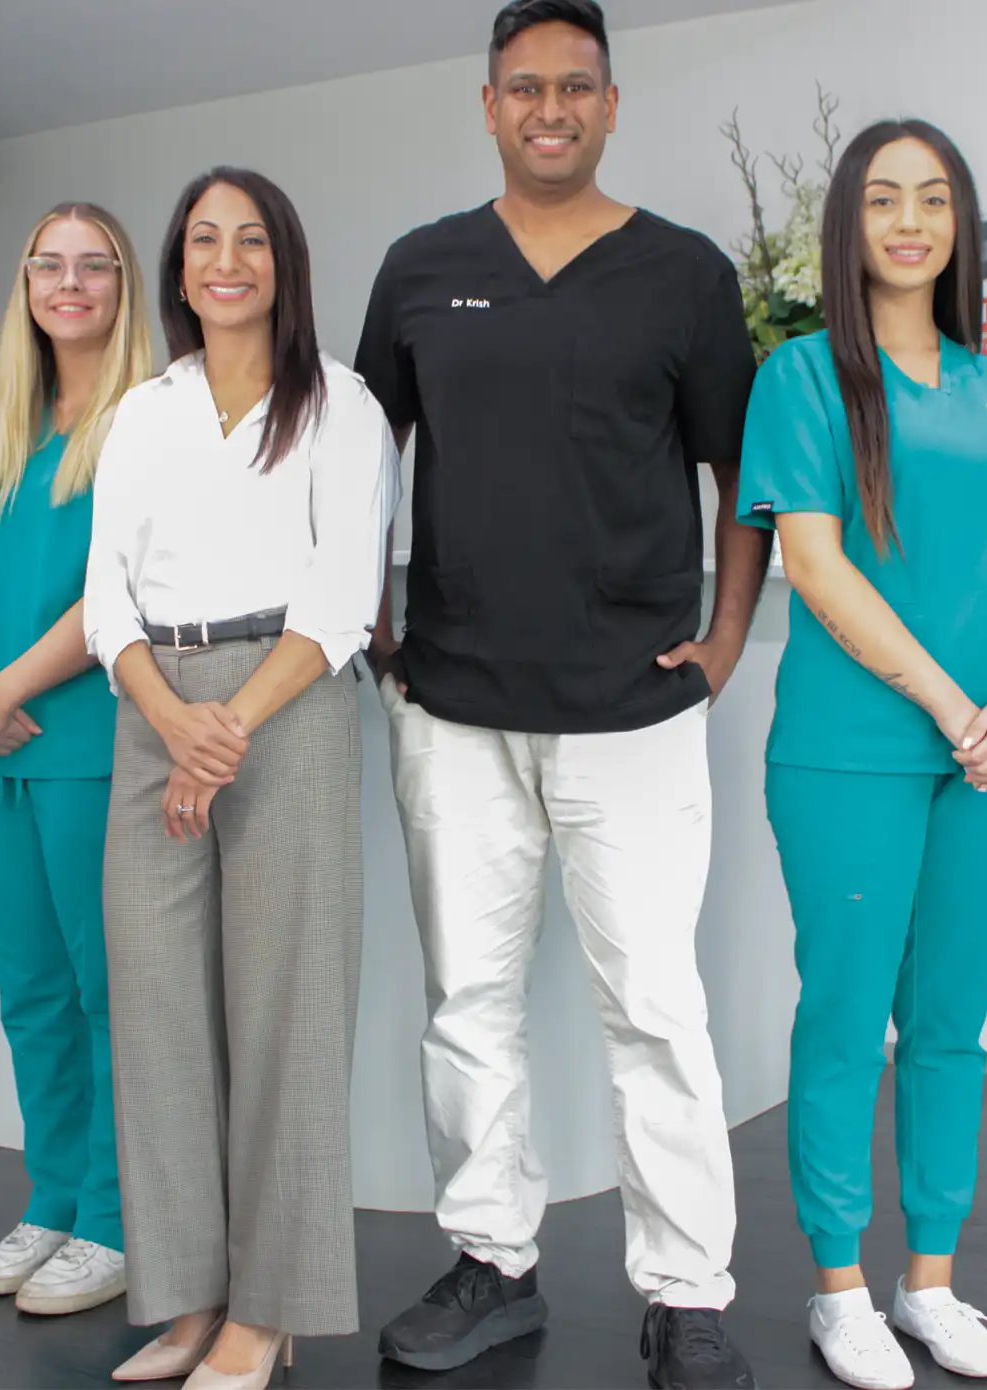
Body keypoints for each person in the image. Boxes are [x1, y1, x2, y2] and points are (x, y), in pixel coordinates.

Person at [353, 3, 767, 1386]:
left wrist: (719, 641)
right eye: (522, 86)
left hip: (635, 710)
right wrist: (375, 620)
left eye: (573, 86)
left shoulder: (685, 275)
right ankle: (493, 1263)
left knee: (654, 1006)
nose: (548, 107)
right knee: (465, 998)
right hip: (454, 705)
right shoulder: (422, 268)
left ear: (608, 102)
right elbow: (358, 456)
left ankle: (687, 1290)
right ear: (486, 105)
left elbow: (739, 478)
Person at [737, 119, 987, 1389]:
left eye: (934, 199)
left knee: (949, 1024)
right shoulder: (807, 376)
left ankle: (929, 1281)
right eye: (884, 200)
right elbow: (813, 562)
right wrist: (949, 697)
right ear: (850, 224)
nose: (911, 221)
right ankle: (839, 1285)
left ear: (960, 225)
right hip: (855, 747)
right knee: (843, 1017)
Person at [85, 167, 399, 1390]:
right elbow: (107, 588)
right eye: (204, 239)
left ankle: (268, 1312)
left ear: (285, 262)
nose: (227, 259)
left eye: (252, 238)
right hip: (152, 709)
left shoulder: (342, 404)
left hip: (292, 700)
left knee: (288, 1016)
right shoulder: (144, 412)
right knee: (157, 1012)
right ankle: (188, 1294)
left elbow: (343, 590)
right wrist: (173, 718)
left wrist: (231, 726)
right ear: (178, 267)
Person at [0, 202, 151, 1316]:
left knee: (105, 991)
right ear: (25, 287)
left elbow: (116, 597)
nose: (69, 283)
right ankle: (53, 1196)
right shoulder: (4, 425)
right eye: (48, 265)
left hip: (85, 748)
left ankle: (114, 1218)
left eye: (92, 265)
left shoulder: (148, 423)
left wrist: (5, 691)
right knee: (31, 992)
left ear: (122, 286)